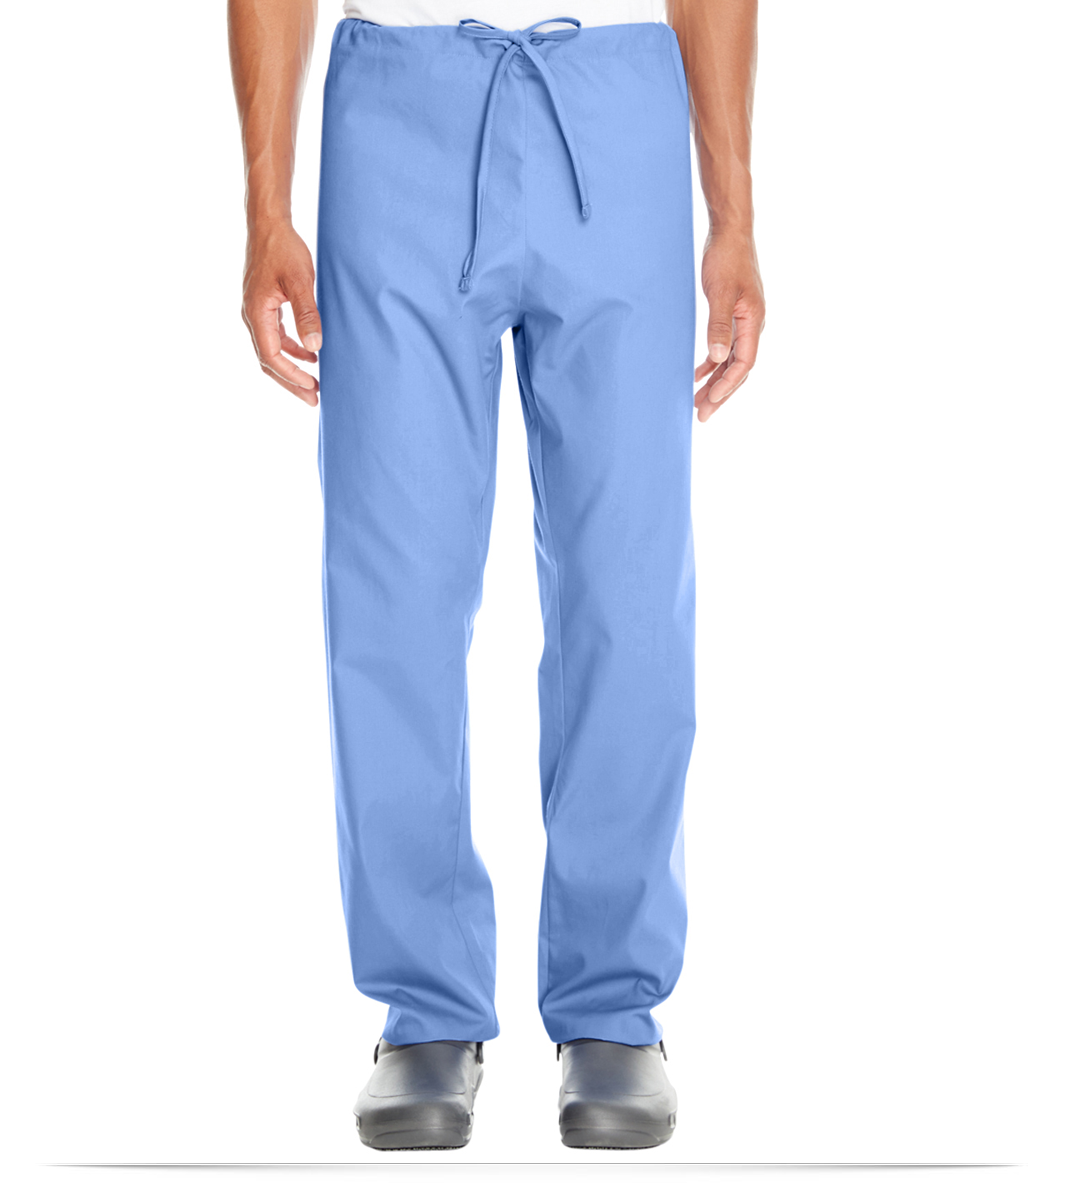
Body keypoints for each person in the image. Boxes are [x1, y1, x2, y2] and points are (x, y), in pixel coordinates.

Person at [228, 0, 764, 1152]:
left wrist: (733, 213)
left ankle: (611, 1006)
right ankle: (424, 1007)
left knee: (627, 585)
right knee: (392, 587)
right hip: (396, 115)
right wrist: (266, 206)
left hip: (616, 106)